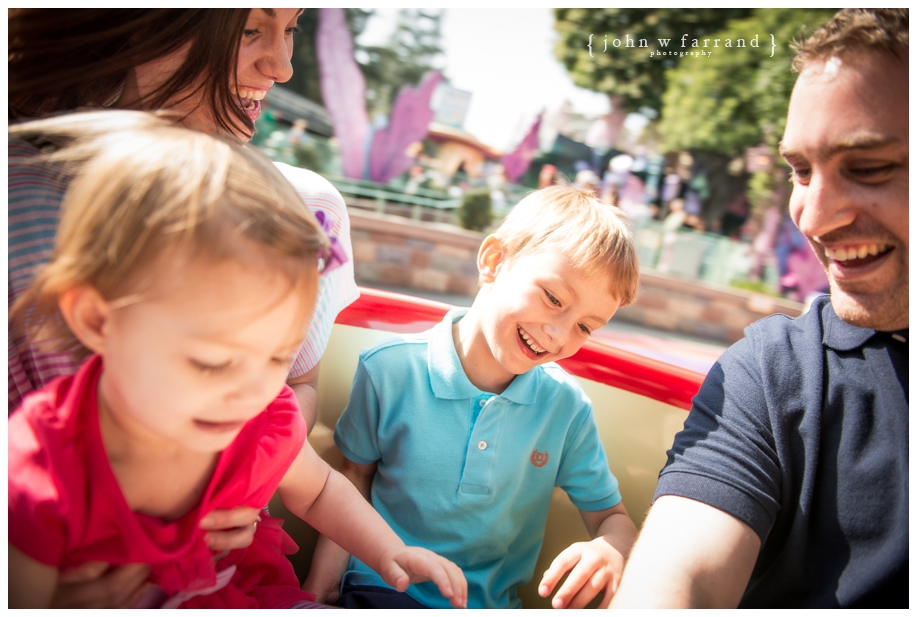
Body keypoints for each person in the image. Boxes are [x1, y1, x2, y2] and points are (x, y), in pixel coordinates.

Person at [7, 112, 467, 610]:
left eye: (275, 357)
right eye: (211, 362)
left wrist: (390, 552)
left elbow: (318, 492)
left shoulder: (259, 416)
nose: (250, 390)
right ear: (98, 320)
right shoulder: (41, 468)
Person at [8, 11, 358, 603]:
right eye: (251, 29)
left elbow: (293, 394)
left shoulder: (301, 211)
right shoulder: (20, 208)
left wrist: (241, 484)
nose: (282, 65)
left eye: (291, 29)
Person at [611, 8, 907, 608]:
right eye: (800, 170)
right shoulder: (777, 372)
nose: (815, 219)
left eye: (869, 168)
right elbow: (680, 580)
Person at [305, 185, 641, 608]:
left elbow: (613, 519)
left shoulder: (566, 409)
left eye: (585, 327)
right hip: (383, 591)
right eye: (553, 298)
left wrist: (611, 549)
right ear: (494, 261)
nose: (558, 334)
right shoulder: (388, 370)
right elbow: (353, 480)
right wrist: (319, 593)